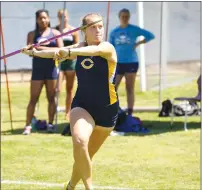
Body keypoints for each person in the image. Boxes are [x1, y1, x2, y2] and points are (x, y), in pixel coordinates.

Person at [21, 13, 119, 190]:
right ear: (83, 31)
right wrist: (34, 51)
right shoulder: (80, 46)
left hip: (107, 110)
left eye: (100, 26)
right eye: (93, 27)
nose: (98, 31)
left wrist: (69, 52)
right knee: (80, 142)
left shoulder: (107, 47)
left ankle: (71, 186)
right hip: (82, 106)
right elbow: (55, 52)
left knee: (86, 154)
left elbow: (93, 51)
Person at [22, 9, 64, 135]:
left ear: (49, 19)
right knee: (33, 98)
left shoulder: (55, 33)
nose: (43, 20)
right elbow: (29, 51)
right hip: (37, 70)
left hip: (51, 70)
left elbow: (61, 50)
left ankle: (50, 124)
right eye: (40, 18)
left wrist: (40, 48)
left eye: (45, 17)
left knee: (51, 98)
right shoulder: (32, 34)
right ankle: (28, 125)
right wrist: (28, 49)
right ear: (36, 20)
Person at [109, 8, 155, 115]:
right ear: (119, 18)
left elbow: (150, 35)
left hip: (131, 62)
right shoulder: (114, 32)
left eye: (126, 16)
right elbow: (110, 47)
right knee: (113, 87)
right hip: (118, 63)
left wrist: (139, 43)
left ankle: (130, 111)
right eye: (122, 16)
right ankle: (114, 110)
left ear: (129, 17)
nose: (124, 18)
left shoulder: (134, 29)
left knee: (129, 87)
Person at [55, 9, 79, 120]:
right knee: (57, 88)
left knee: (69, 89)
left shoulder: (73, 30)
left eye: (64, 16)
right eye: (60, 16)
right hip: (58, 63)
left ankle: (68, 112)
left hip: (70, 63)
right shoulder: (54, 30)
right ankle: (54, 109)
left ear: (68, 17)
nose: (63, 18)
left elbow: (77, 47)